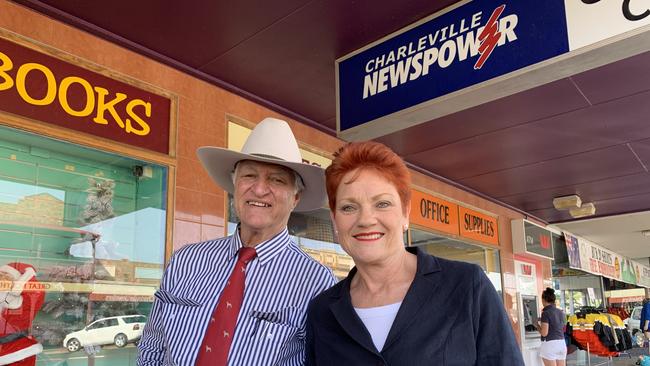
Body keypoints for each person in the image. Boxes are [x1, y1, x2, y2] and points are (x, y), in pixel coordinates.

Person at [138, 117, 336, 365]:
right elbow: (152, 348)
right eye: (249, 175)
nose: (260, 189)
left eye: (277, 180)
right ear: (234, 184)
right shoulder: (186, 261)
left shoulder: (316, 283)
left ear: (296, 197)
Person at [306, 141, 524, 365]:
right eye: (348, 207)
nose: (365, 220)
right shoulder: (322, 312)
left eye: (382, 204)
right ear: (334, 220)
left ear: (405, 213)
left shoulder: (466, 286)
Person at [538, 288, 566, 366]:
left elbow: (544, 333)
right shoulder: (561, 312)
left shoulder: (545, 313)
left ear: (543, 299)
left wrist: (536, 325)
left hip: (550, 345)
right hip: (561, 344)